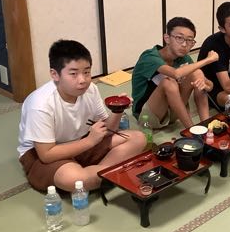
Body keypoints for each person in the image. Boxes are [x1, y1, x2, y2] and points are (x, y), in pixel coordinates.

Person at [18, 40, 146, 192]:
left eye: (86, 72)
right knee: (74, 179)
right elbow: (46, 154)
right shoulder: (40, 104)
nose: (82, 80)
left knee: (138, 138)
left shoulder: (91, 89)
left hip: (82, 141)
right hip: (46, 154)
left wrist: (118, 110)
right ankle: (106, 174)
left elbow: (107, 129)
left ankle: (98, 176)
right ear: (55, 74)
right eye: (73, 74)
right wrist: (90, 141)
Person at [131, 17, 219, 129]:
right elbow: (176, 73)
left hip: (173, 112)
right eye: (179, 38)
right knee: (168, 82)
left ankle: (207, 126)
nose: (184, 44)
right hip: (147, 118)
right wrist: (208, 60)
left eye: (189, 40)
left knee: (197, 73)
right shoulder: (149, 57)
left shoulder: (184, 58)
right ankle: (192, 131)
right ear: (167, 38)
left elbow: (210, 86)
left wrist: (204, 85)